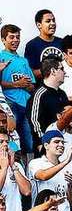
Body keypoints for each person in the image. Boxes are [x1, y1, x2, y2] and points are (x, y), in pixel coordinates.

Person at [0, 23, 36, 154]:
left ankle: (28, 171)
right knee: (11, 138)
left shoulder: (23, 61)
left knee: (29, 141)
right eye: (11, 37)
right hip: (10, 104)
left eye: (17, 37)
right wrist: (16, 84)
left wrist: (27, 86)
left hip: (25, 105)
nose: (15, 40)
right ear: (3, 40)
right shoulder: (1, 57)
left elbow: (32, 85)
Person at [26, 57, 68, 148]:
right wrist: (41, 143)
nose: (64, 72)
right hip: (46, 146)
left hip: (63, 143)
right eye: (62, 69)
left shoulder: (62, 94)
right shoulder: (39, 94)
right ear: (53, 71)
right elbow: (34, 122)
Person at [23, 10, 62, 79]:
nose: (52, 23)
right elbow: (30, 73)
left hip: (63, 87)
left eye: (53, 20)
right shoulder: (32, 45)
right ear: (39, 25)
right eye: (48, 21)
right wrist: (49, 68)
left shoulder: (62, 42)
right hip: (43, 87)